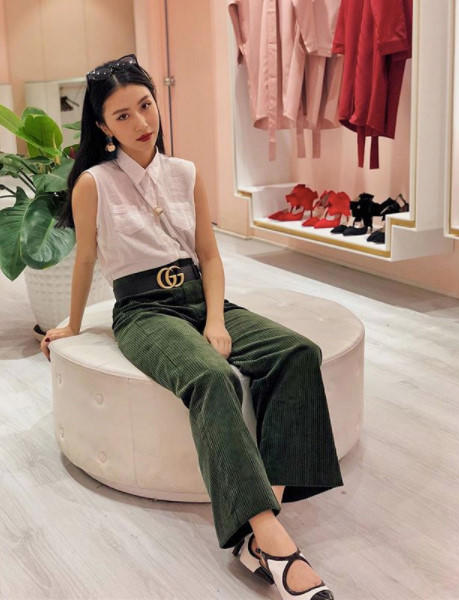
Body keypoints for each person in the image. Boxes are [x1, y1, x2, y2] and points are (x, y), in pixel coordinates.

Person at [40, 53, 343, 600]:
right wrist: (73, 325)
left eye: (145, 105)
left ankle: (260, 524)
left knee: (298, 352)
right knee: (212, 377)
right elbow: (84, 259)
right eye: (123, 115)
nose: (141, 122)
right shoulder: (93, 183)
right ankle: (273, 540)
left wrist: (216, 319)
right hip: (143, 310)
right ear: (103, 127)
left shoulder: (185, 173)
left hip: (200, 297)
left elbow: (210, 254)